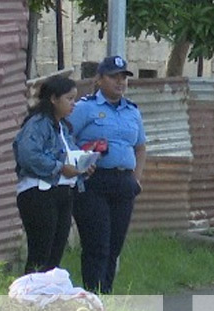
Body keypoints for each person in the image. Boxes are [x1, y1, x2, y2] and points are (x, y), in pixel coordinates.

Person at [68, 55, 147, 293]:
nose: (120, 82)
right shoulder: (85, 108)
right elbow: (65, 138)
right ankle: (92, 296)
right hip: (93, 182)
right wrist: (79, 161)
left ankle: (106, 297)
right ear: (100, 79)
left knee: (114, 247)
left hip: (123, 182)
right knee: (97, 245)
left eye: (124, 77)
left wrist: (136, 179)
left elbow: (140, 146)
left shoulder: (132, 111)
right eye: (114, 77)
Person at [12, 75, 92, 275]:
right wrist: (59, 167)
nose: (73, 104)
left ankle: (46, 299)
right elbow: (28, 155)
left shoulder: (64, 127)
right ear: (54, 99)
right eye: (69, 98)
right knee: (40, 252)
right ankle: (30, 299)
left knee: (55, 254)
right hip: (39, 193)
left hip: (62, 192)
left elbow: (70, 156)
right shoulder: (37, 124)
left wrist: (83, 167)